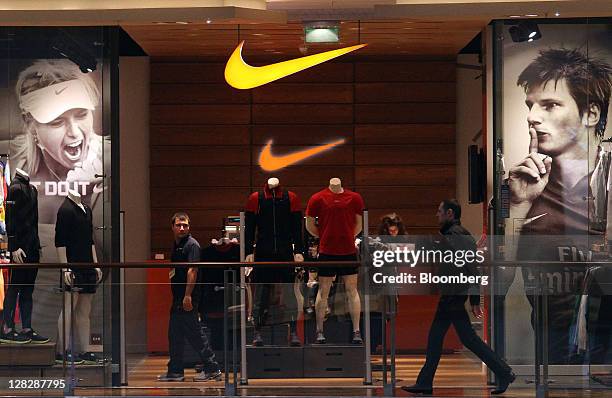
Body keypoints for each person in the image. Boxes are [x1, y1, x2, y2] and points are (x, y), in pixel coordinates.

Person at [507, 48, 612, 363]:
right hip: (550, 346)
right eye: (531, 105)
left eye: (550, 105)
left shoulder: (607, 180)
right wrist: (516, 207)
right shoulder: (518, 184)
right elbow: (496, 274)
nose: (532, 117)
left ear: (590, 114)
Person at [402, 200, 515, 395]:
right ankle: (503, 372)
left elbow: (471, 267)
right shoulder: (454, 235)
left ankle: (425, 382)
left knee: (440, 339)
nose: (437, 215)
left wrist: (474, 298)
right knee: (460, 339)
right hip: (453, 294)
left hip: (453, 296)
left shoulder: (456, 235)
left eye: (440, 212)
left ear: (450, 213)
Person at [14, 59, 105, 262]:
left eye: (81, 115)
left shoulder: (109, 164)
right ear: (31, 126)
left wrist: (84, 199)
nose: (74, 133)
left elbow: (105, 263)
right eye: (57, 122)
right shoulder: (14, 168)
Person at [157, 212, 221, 382]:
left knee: (195, 334)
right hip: (178, 297)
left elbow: (193, 271)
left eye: (185, 225)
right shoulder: (176, 245)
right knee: (175, 334)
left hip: (188, 298)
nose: (182, 228)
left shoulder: (192, 245)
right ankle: (175, 371)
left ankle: (212, 368)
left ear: (189, 227)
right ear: (172, 227)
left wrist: (187, 296)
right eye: (178, 225)